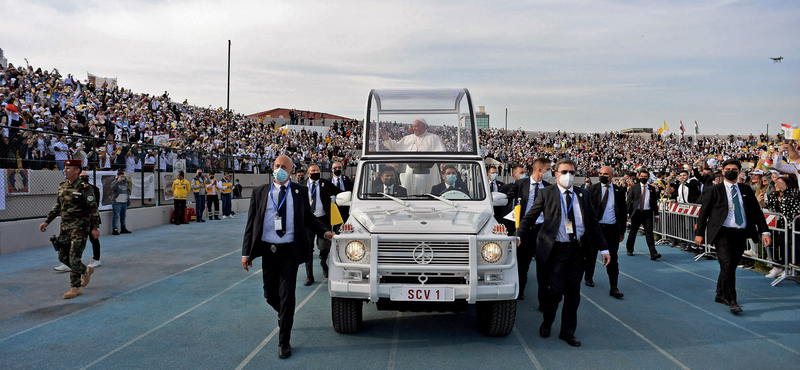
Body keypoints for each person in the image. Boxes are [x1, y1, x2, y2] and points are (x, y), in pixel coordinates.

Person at [241, 155, 334, 359]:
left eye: (284, 167)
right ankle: (282, 314)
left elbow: (309, 219)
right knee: (269, 294)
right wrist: (246, 253)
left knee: (287, 296)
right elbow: (250, 224)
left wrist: (324, 232)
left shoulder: (299, 192)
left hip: (290, 252)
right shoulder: (260, 192)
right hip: (269, 251)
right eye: (276, 166)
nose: (279, 169)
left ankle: (284, 341)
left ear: (291, 172)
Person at [518, 158, 610, 347]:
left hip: (577, 250)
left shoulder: (582, 195)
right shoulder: (546, 193)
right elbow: (530, 217)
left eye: (572, 172)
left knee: (573, 294)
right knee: (556, 292)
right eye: (564, 172)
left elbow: (593, 223)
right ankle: (547, 321)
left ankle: (567, 332)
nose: (568, 176)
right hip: (554, 250)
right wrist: (519, 235)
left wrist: (604, 248)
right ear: (556, 174)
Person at [695, 159, 771, 313]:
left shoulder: (746, 189)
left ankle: (720, 293)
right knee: (728, 265)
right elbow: (703, 214)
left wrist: (765, 231)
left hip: (741, 233)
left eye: (734, 169)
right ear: (722, 171)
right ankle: (732, 300)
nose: (731, 171)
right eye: (728, 168)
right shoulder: (714, 190)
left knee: (730, 266)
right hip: (722, 233)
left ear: (739, 171)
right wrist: (699, 234)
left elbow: (757, 212)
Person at [39, 159, 101, 299]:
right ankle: (85, 270)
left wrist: (95, 227)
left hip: (80, 227)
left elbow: (93, 209)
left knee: (74, 257)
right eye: (65, 168)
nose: (65, 170)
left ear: (77, 171)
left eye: (68, 168)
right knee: (62, 256)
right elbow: (57, 206)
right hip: (65, 227)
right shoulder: (63, 186)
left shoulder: (85, 188)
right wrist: (47, 221)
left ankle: (75, 287)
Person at [506, 157, 551, 301]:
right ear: (540, 170)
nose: (550, 172)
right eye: (548, 170)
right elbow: (506, 201)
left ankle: (543, 299)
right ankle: (520, 291)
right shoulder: (520, 184)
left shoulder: (549, 187)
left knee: (544, 266)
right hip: (525, 230)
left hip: (542, 230)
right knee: (522, 264)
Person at [585, 166, 626, 298]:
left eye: (605, 174)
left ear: (612, 176)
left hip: (611, 229)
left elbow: (623, 212)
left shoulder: (619, 191)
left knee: (612, 258)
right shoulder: (592, 189)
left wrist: (622, 231)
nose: (602, 175)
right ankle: (588, 276)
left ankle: (614, 287)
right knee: (591, 255)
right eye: (601, 173)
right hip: (594, 229)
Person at [304, 164, 342, 285]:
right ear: (308, 173)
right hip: (308, 221)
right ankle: (309, 275)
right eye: (313, 170)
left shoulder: (325, 183)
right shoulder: (301, 185)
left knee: (325, 246)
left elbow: (340, 192)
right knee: (308, 249)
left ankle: (323, 262)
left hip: (323, 220)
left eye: (318, 170)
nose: (316, 172)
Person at [625, 170, 661, 259]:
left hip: (647, 213)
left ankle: (653, 253)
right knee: (633, 232)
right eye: (642, 176)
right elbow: (629, 201)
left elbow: (654, 203)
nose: (643, 178)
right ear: (639, 176)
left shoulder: (651, 189)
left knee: (649, 233)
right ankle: (629, 249)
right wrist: (627, 212)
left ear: (648, 178)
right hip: (636, 213)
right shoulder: (634, 188)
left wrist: (656, 215)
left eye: (645, 177)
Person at [379, 119, 445, 152]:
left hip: (428, 172)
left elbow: (441, 154)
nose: (414, 128)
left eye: (416, 126)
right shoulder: (407, 138)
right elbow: (396, 147)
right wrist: (387, 138)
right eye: (413, 126)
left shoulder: (434, 138)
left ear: (424, 127)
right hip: (410, 171)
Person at [82, 171, 103, 268]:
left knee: (93, 238)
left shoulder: (94, 189)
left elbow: (95, 205)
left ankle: (96, 258)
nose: (84, 178)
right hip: (78, 219)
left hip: (90, 217)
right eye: (82, 176)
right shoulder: (73, 188)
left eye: (86, 176)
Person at [110, 169, 132, 235]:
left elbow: (127, 192)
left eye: (123, 176)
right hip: (117, 202)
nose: (122, 178)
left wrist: (128, 201)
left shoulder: (126, 183)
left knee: (123, 216)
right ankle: (115, 229)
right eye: (121, 176)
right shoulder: (114, 182)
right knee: (116, 216)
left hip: (124, 202)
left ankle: (123, 228)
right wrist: (118, 181)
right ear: (118, 176)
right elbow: (112, 189)